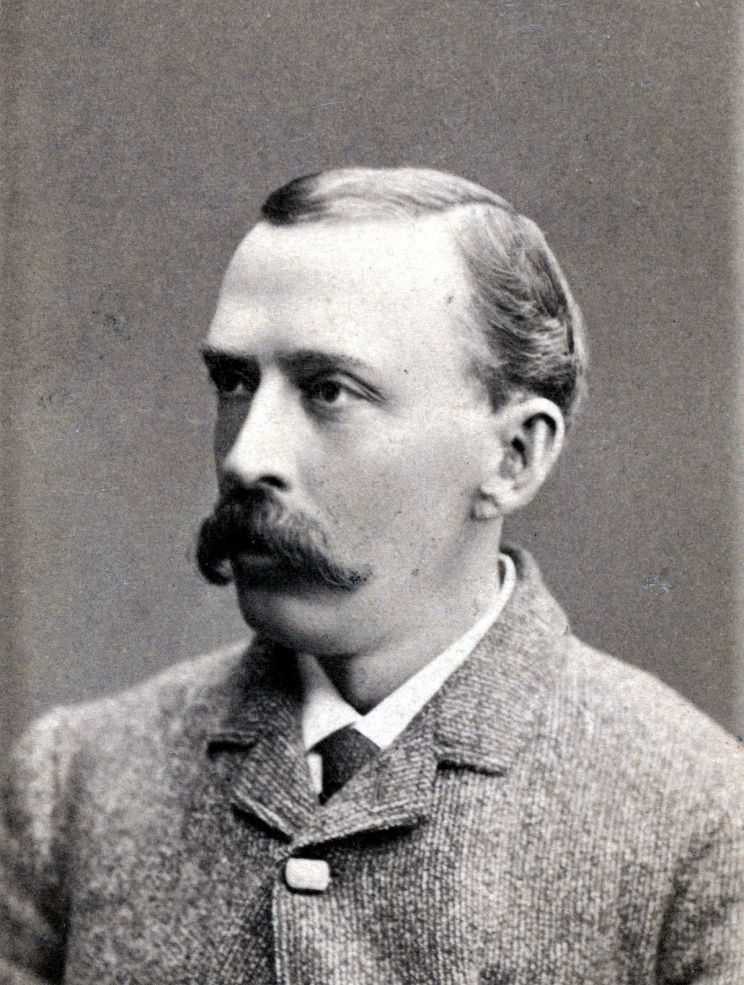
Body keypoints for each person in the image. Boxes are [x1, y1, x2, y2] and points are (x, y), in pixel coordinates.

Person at [1, 167, 742, 984]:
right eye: (235, 382)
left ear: (513, 456)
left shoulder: (700, 822)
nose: (245, 455)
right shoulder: (76, 787)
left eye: (329, 391)